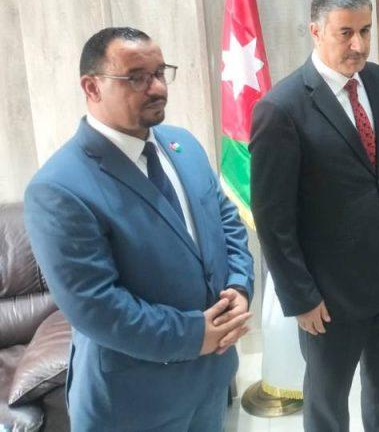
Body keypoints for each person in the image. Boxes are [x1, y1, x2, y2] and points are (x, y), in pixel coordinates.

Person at [24, 27, 254, 432]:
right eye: (136, 77)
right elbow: (96, 306)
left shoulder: (184, 145)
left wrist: (238, 285)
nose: (157, 88)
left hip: (210, 381)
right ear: (92, 87)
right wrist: (192, 334)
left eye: (160, 73)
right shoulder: (58, 188)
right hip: (132, 403)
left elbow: (226, 223)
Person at [249, 0, 379, 432]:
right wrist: (300, 297)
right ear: (316, 31)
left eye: (365, 31)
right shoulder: (281, 108)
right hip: (328, 296)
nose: (359, 45)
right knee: (327, 405)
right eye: (346, 33)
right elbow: (273, 219)